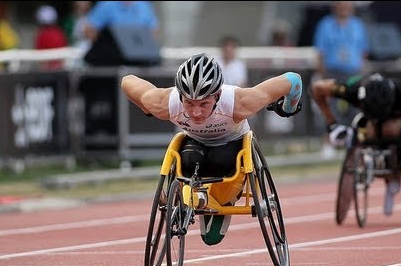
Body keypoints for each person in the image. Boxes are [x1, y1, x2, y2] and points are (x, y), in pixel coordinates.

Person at [121, 53, 302, 245]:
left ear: (217, 96)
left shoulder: (240, 103)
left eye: (204, 104)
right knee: (188, 161)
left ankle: (223, 198)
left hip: (232, 147)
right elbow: (127, 81)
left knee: (219, 161)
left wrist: (289, 107)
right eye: (189, 103)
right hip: (194, 144)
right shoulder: (165, 103)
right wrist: (146, 107)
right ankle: (193, 197)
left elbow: (293, 80)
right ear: (181, 96)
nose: (196, 112)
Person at [310, 72, 401, 216]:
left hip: (399, 124)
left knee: (391, 128)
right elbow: (317, 88)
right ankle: (374, 163)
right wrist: (333, 126)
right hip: (368, 124)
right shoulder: (353, 90)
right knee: (367, 130)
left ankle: (395, 171)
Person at [312, 1, 370, 159]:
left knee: (356, 108)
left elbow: (363, 52)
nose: (344, 7)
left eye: (347, 4)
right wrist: (321, 74)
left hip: (353, 72)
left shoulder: (358, 25)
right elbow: (320, 52)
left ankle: (355, 142)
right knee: (330, 108)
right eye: (341, 4)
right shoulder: (325, 24)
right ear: (335, 6)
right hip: (332, 71)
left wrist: (363, 72)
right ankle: (328, 143)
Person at [84, 1, 160, 43]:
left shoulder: (145, 6)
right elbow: (89, 31)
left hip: (139, 59)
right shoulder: (107, 5)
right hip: (112, 60)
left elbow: (154, 33)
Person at [34, 5, 69, 70]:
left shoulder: (41, 35)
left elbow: (40, 56)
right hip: (61, 69)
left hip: (48, 71)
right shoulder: (60, 32)